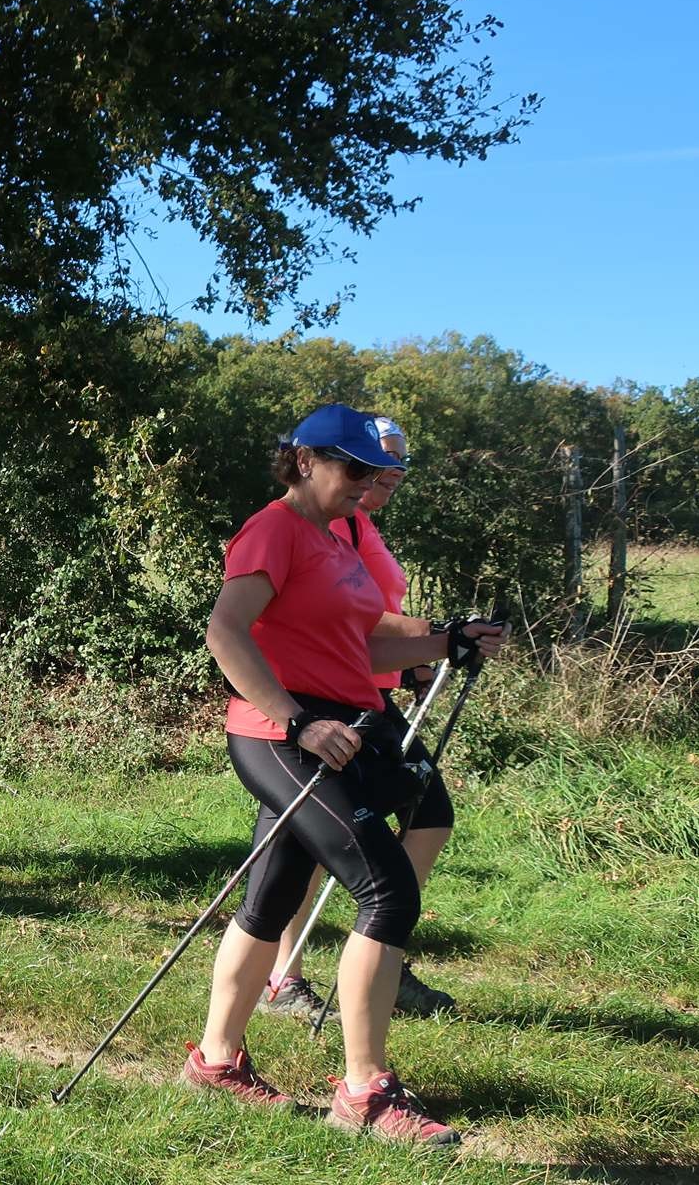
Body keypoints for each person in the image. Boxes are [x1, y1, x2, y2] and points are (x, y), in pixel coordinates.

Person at [187, 403, 505, 1145]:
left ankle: (213, 1061)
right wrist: (297, 719)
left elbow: (361, 649)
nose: (364, 483)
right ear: (303, 460)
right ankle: (364, 1093)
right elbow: (223, 632)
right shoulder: (274, 529)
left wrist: (447, 640)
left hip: (338, 729)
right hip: (280, 735)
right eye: (351, 468)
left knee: (270, 897)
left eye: (371, 470)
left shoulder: (337, 538)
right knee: (386, 888)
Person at [260, 416, 458, 1024]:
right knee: (303, 842)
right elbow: (343, 622)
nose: (383, 478)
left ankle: (376, 956)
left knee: (429, 811)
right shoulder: (306, 526)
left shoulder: (355, 524)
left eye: (393, 470)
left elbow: (371, 619)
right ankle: (287, 978)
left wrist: (431, 649)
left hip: (368, 691)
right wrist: (436, 638)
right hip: (316, 702)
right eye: (372, 466)